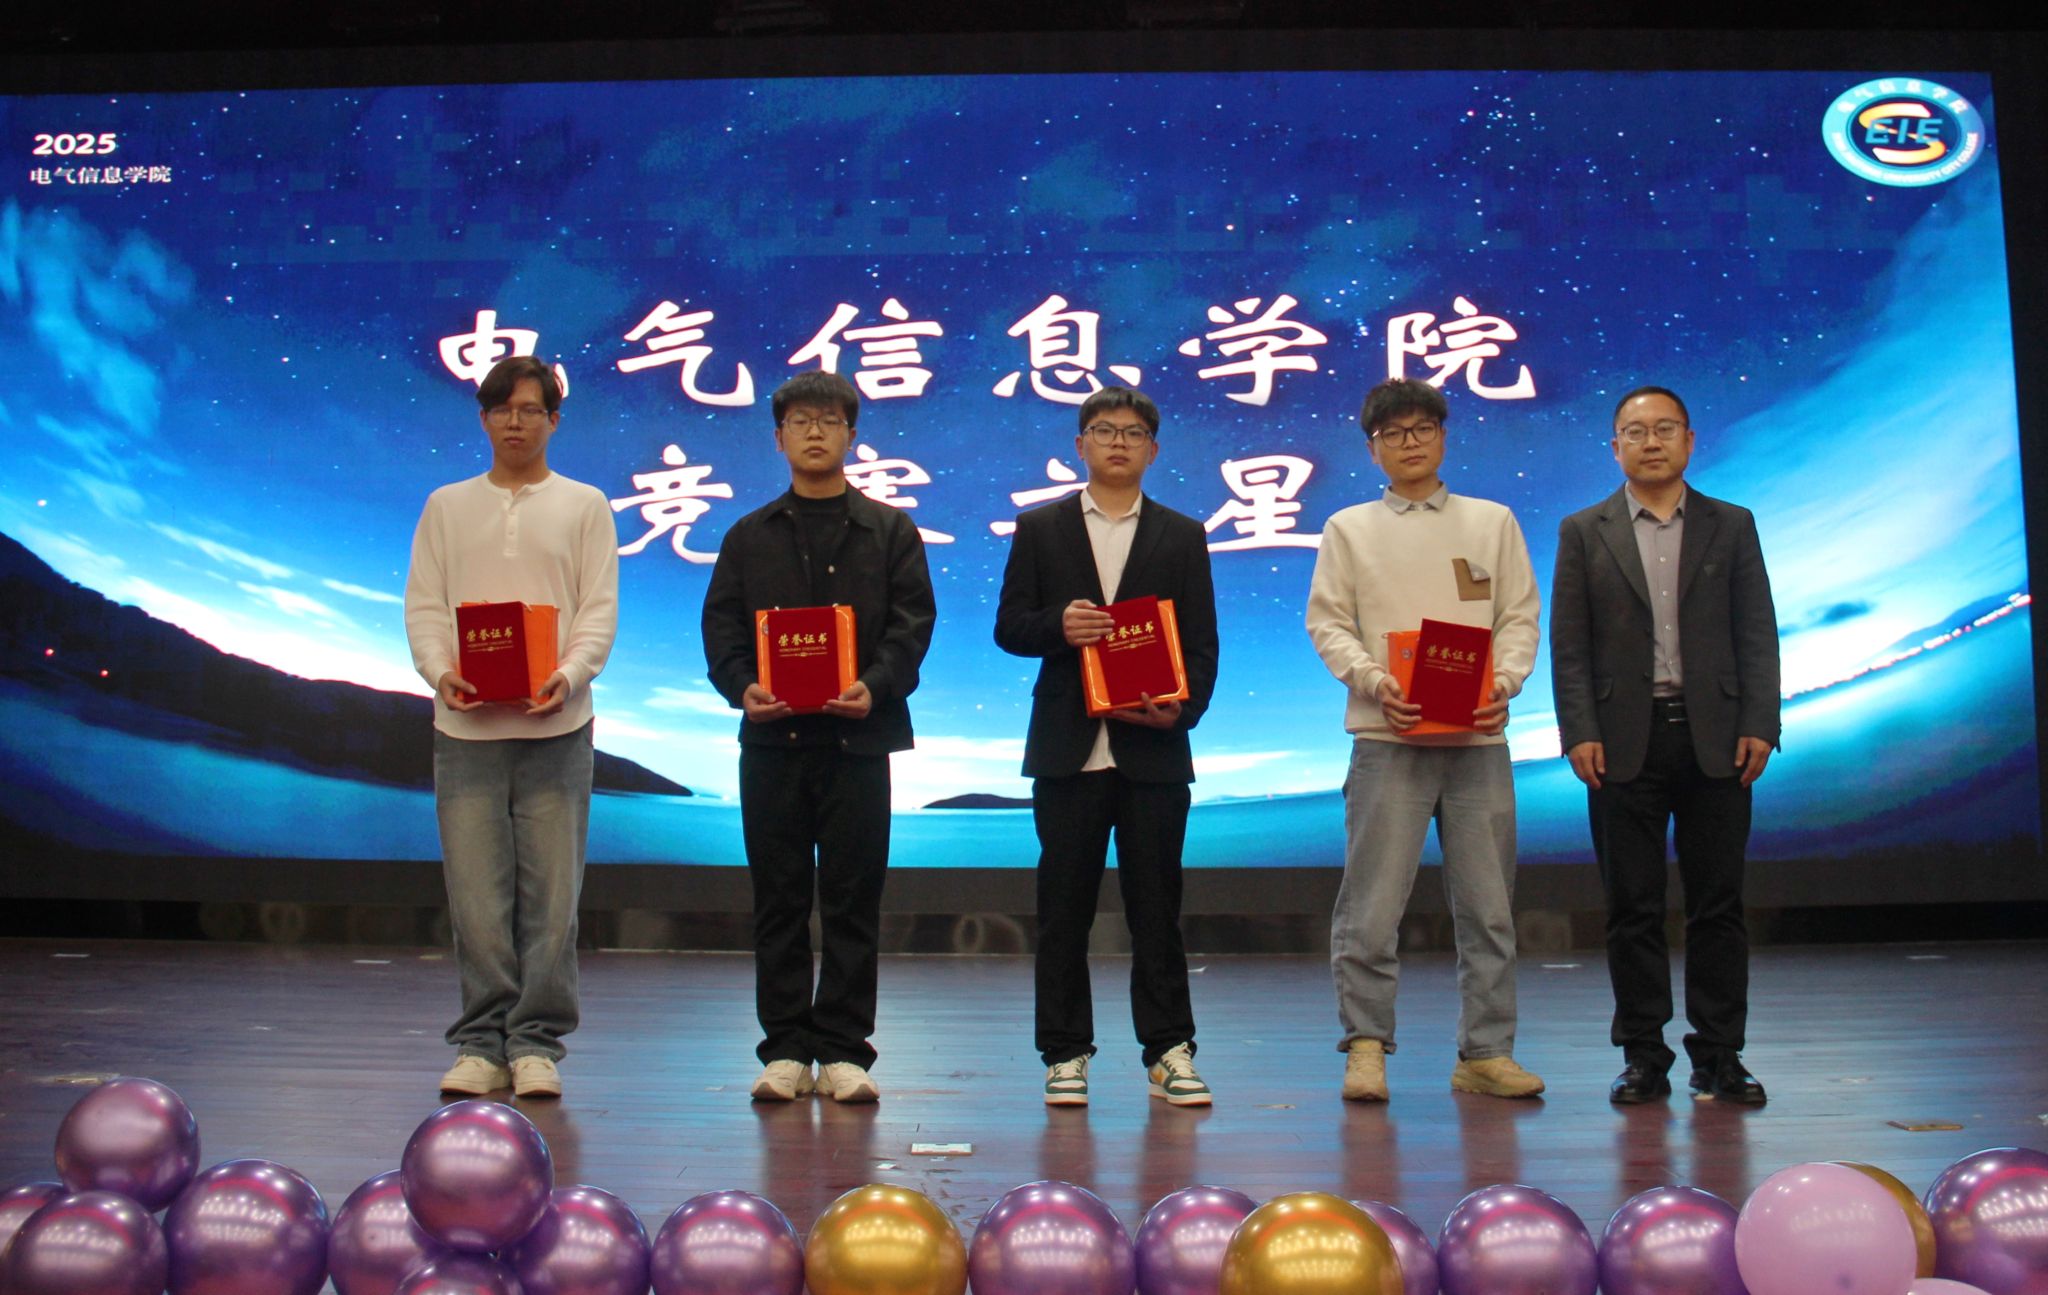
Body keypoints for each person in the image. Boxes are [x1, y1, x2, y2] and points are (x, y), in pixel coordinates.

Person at [1305, 377, 1544, 1103]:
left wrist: (1505, 683)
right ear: (1372, 448)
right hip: (1388, 738)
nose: (1409, 442)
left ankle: (1486, 1052)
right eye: (1393, 433)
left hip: (1478, 743)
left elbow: (1519, 616)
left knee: (1490, 906)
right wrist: (1375, 681)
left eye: (1422, 428)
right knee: (1372, 905)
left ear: (1443, 436)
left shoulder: (1492, 521)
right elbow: (1328, 623)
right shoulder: (1348, 528)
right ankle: (1366, 1046)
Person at [701, 370, 935, 1105]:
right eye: (800, 420)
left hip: (858, 742)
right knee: (777, 898)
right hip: (773, 744)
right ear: (779, 438)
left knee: (852, 899)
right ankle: (784, 1050)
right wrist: (742, 687)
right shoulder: (748, 535)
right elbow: (722, 629)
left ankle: (842, 1050)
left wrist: (877, 683)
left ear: (851, 436)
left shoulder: (890, 530)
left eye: (828, 420)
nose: (814, 432)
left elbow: (913, 625)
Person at [1550, 385, 1779, 1105]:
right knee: (1632, 907)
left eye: (1664, 429)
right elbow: (1570, 645)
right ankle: (1643, 1056)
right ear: (1614, 446)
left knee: (1719, 905)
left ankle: (1720, 1054)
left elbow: (1756, 630)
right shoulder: (1583, 530)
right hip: (1623, 742)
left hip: (1718, 738)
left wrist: (1761, 721)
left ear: (1689, 440)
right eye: (1635, 431)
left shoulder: (1731, 524)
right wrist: (1579, 730)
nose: (1650, 442)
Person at [994, 386, 1221, 1107]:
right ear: (1080, 444)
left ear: (1153, 449)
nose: (1117, 442)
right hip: (1068, 748)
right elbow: (1008, 626)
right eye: (1103, 429)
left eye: (1132, 432)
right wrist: (1057, 626)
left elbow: (1201, 645)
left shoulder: (1182, 534)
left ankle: (1169, 1049)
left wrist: (1181, 712)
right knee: (1063, 909)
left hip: (1153, 751)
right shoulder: (1041, 527)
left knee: (1158, 908)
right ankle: (1064, 1053)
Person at [404, 354, 619, 1099]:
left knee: (553, 899)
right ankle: (479, 1043)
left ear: (554, 420)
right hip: (464, 732)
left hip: (557, 728)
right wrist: (440, 672)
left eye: (531, 410)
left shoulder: (585, 504)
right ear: (484, 419)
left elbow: (598, 608)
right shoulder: (446, 505)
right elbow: (425, 606)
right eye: (502, 409)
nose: (516, 422)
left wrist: (571, 674)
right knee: (476, 899)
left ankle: (535, 1045)